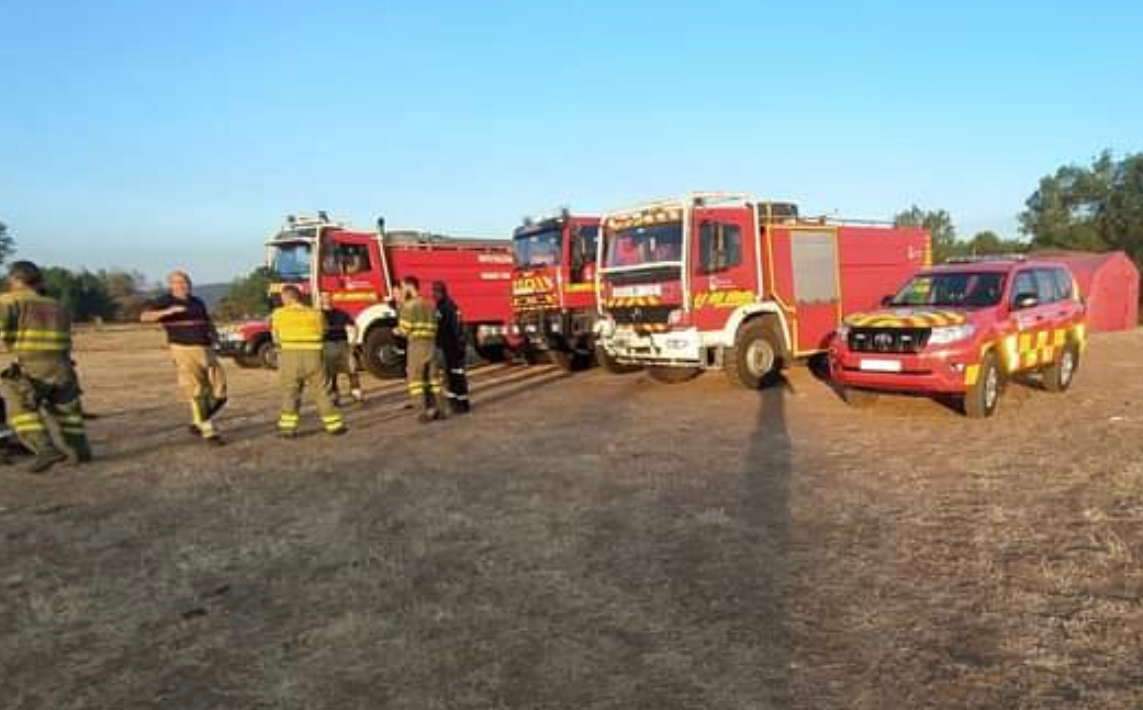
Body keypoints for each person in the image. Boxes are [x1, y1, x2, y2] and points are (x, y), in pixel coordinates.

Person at [0, 261, 92, 473]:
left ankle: (45, 449)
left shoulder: (9, 300)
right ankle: (80, 452)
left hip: (31, 364)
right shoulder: (56, 304)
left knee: (20, 407)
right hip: (62, 364)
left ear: (15, 279)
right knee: (67, 411)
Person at [140, 270, 228, 444]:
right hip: (183, 349)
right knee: (198, 390)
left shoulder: (197, 302)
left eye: (186, 282)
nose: (183, 285)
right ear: (171, 285)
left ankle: (197, 422)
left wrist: (215, 336)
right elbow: (144, 317)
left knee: (220, 392)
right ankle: (209, 431)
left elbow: (207, 321)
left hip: (206, 348)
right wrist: (167, 311)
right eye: (178, 282)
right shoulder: (165, 301)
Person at [270, 285, 347, 438]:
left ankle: (288, 430)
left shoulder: (279, 314)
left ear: (286, 298)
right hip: (314, 357)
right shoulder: (315, 313)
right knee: (322, 391)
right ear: (299, 297)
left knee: (291, 392)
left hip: (290, 358)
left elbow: (275, 336)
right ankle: (334, 426)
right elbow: (324, 331)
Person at [396, 276, 444, 422]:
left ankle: (423, 411)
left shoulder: (409, 306)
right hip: (431, 345)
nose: (402, 290)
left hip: (416, 346)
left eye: (403, 287)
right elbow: (437, 323)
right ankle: (439, 410)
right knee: (433, 379)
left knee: (416, 380)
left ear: (410, 287)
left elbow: (404, 330)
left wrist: (395, 330)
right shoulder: (430, 305)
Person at [432, 281, 471, 414]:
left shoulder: (444, 307)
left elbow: (445, 328)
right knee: (457, 375)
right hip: (455, 345)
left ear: (439, 292)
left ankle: (459, 404)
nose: (433, 295)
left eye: (435, 292)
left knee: (454, 376)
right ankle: (461, 403)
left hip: (451, 346)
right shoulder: (451, 305)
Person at [320, 293, 363, 406]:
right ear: (320, 299)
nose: (327, 299)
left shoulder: (341, 313)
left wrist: (353, 343)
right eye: (324, 297)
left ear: (331, 299)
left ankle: (357, 395)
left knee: (352, 370)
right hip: (327, 345)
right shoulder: (318, 314)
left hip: (343, 345)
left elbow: (355, 327)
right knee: (331, 374)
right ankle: (335, 398)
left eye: (328, 297)